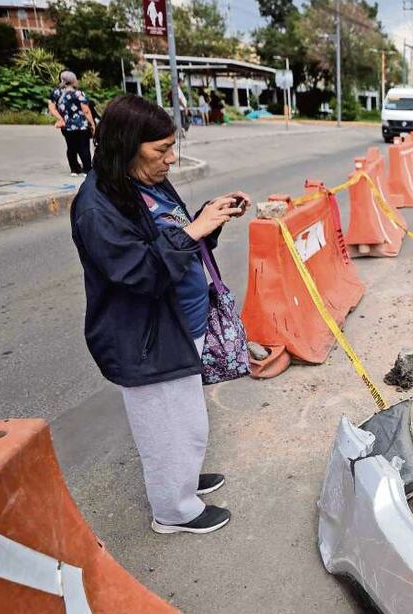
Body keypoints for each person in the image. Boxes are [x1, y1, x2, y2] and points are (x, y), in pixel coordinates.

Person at [70, 95, 251, 534]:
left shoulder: (147, 182)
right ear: (126, 146)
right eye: (161, 150)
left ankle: (181, 480)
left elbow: (176, 234)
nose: (171, 159)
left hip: (178, 324)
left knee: (186, 421)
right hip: (144, 338)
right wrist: (194, 230)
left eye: (172, 147)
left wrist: (211, 217)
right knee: (164, 430)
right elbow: (140, 271)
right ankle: (173, 511)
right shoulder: (97, 206)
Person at [48, 70, 96, 176]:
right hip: (81, 125)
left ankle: (74, 169)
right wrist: (92, 124)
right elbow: (86, 111)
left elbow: (51, 108)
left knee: (71, 147)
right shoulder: (79, 94)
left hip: (66, 126)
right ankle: (87, 169)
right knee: (84, 147)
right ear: (73, 80)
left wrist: (61, 118)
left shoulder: (56, 93)